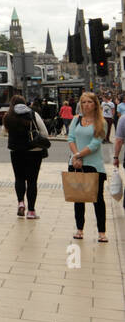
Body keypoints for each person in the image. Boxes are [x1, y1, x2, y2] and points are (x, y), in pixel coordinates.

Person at [67, 92, 109, 242]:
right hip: (76, 164)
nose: (86, 105)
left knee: (97, 199)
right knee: (78, 198)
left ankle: (101, 232)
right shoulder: (76, 120)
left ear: (95, 104)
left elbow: (95, 144)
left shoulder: (101, 122)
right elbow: (71, 138)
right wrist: (76, 156)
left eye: (89, 102)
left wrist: (79, 155)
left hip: (93, 165)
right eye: (83, 102)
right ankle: (79, 229)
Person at [3, 94, 48, 219]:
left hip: (16, 151)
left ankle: (20, 203)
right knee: (32, 181)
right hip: (34, 151)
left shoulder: (8, 116)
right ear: (24, 103)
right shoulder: (33, 114)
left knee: (19, 178)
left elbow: (3, 131)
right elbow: (45, 133)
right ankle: (31, 211)